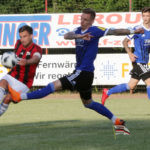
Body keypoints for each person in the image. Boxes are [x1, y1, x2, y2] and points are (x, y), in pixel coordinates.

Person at [8, 8, 144, 133]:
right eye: (81, 18)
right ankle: (117, 122)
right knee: (88, 103)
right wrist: (79, 36)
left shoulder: (95, 30)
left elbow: (115, 31)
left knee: (52, 86)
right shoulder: (78, 31)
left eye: (85, 19)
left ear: (91, 21)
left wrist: (133, 31)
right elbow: (66, 35)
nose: (82, 21)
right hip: (84, 74)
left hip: (82, 73)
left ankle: (19, 96)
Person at [101, 7, 150, 105]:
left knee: (131, 85)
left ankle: (107, 92)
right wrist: (130, 53)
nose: (145, 18)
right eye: (143, 16)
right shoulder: (138, 29)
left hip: (144, 62)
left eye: (147, 16)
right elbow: (124, 41)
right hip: (138, 61)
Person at [0, 25, 42, 116]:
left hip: (24, 83)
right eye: (21, 36)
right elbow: (14, 56)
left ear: (31, 36)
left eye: (25, 36)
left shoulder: (37, 49)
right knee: (2, 83)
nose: (22, 39)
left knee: (8, 98)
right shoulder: (18, 43)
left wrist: (27, 61)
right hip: (12, 75)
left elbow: (36, 58)